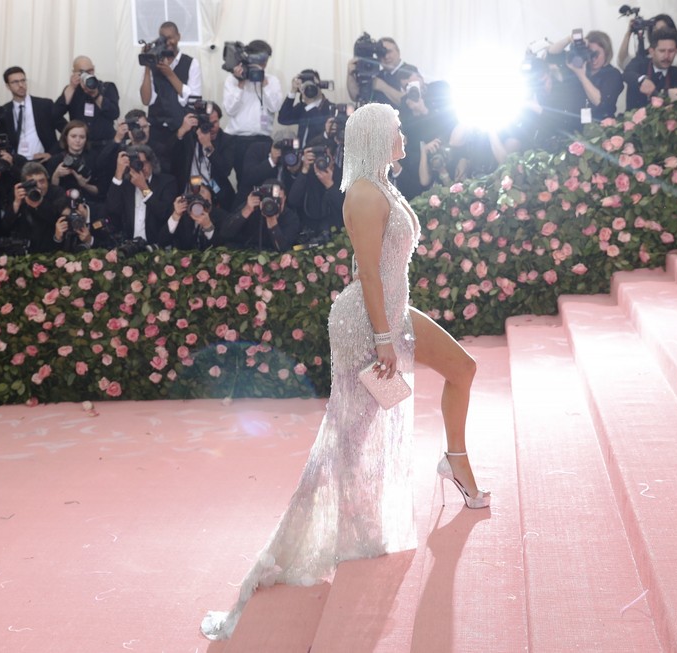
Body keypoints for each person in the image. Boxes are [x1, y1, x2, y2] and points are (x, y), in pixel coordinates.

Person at [201, 103, 488, 640]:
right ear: (379, 137)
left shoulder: (380, 183)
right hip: (366, 322)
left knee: (462, 370)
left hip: (394, 313)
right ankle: (350, 532)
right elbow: (368, 275)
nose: (405, 135)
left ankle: (453, 461)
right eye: (398, 130)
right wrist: (383, 337)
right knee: (350, 434)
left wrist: (393, 326)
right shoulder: (361, 193)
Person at [222, 39, 283, 187]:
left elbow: (274, 107)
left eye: (265, 60)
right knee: (244, 183)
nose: (263, 64)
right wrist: (241, 83)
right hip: (238, 140)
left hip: (263, 140)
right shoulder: (232, 80)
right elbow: (230, 110)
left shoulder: (272, 81)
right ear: (248, 58)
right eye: (260, 60)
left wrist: (264, 84)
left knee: (265, 182)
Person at [139, 21, 203, 133]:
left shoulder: (191, 63)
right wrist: (147, 65)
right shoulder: (154, 63)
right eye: (163, 39)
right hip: (157, 129)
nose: (168, 43)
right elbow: (145, 100)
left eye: (170, 38)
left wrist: (170, 74)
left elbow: (194, 101)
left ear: (178, 37)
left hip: (182, 130)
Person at [105, 144, 177, 244]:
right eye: (136, 164)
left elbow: (165, 213)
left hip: (156, 246)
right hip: (129, 246)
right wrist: (118, 173)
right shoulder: (126, 185)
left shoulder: (167, 182)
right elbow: (112, 209)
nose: (141, 168)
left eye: (144, 163)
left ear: (152, 162)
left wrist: (144, 188)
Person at [171, 102, 236, 210]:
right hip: (188, 189)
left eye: (215, 122)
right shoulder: (189, 135)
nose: (213, 128)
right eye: (209, 124)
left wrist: (208, 146)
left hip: (215, 189)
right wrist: (182, 130)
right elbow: (169, 156)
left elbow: (225, 171)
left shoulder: (227, 140)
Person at [548, 30, 624, 121]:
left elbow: (601, 103)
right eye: (591, 54)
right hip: (576, 126)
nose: (593, 59)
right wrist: (569, 39)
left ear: (606, 53)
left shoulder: (613, 74)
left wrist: (582, 76)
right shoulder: (578, 66)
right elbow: (551, 54)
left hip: (601, 127)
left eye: (597, 54)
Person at [0, 66, 64, 162]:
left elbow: (67, 130)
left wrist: (52, 153)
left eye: (23, 80)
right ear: (8, 86)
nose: (21, 85)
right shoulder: (4, 110)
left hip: (42, 160)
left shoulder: (44, 105)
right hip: (17, 162)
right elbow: (3, 138)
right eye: (15, 82)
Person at [53, 56, 121, 151]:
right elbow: (55, 115)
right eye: (82, 72)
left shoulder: (107, 87)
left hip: (105, 146)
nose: (87, 75)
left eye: (90, 71)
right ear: (74, 73)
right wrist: (70, 131)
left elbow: (114, 113)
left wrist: (96, 94)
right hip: (80, 148)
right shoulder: (72, 91)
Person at [219, 179, 300, 252]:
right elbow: (225, 233)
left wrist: (272, 221)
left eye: (278, 199)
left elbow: (283, 248)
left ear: (284, 198)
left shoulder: (291, 217)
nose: (273, 203)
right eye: (270, 198)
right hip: (247, 253)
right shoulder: (252, 207)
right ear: (261, 197)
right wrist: (247, 209)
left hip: (274, 259)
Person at [623, 28, 677, 110]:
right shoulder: (640, 64)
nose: (667, 56)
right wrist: (642, 80)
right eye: (662, 51)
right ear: (652, 51)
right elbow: (626, 74)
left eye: (671, 51)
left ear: (676, 51)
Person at [347, 37, 419, 106]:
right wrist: (350, 75)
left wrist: (383, 87)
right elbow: (356, 97)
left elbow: (411, 102)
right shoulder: (377, 73)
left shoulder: (409, 71)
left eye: (389, 52)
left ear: (398, 52)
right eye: (381, 54)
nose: (386, 57)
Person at [158, 180, 227, 250]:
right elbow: (162, 241)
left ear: (210, 199)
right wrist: (176, 216)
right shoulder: (183, 213)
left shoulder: (221, 216)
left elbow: (223, 246)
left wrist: (208, 226)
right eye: (194, 193)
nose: (198, 196)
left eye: (202, 192)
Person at [277, 69, 333, 147]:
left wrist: (310, 104)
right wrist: (293, 91)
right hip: (302, 156)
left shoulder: (330, 108)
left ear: (319, 85)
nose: (309, 88)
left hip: (320, 155)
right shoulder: (302, 107)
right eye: (306, 85)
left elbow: (322, 130)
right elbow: (283, 119)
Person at [45, 120, 101, 198]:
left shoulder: (95, 158)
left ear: (86, 139)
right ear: (66, 137)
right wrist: (56, 175)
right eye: (73, 136)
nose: (77, 140)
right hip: (61, 203)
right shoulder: (55, 160)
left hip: (88, 202)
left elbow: (100, 191)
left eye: (82, 137)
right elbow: (50, 194)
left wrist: (84, 185)